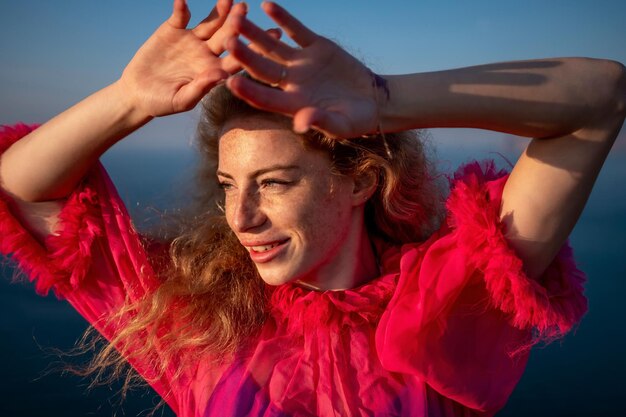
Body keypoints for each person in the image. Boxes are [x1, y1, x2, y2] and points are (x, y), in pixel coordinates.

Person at [0, 0, 624, 416]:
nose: (239, 217)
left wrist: (384, 99)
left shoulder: (447, 302)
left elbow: (600, 98)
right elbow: (23, 183)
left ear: (359, 182)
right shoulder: (197, 321)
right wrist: (129, 99)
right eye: (228, 185)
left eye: (272, 183)